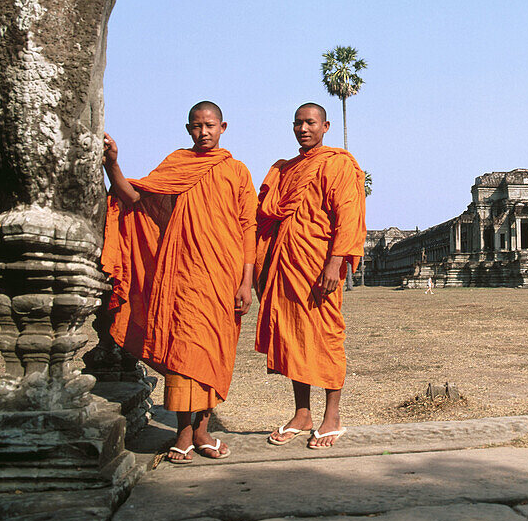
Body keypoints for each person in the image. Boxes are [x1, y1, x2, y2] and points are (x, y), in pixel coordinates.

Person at [102, 101, 255, 464]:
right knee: (184, 351)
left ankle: (202, 429)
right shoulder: (178, 165)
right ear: (188, 129)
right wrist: (112, 164)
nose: (203, 132)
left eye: (210, 126)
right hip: (183, 274)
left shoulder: (237, 171)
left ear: (223, 127)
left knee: (212, 353)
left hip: (223, 275)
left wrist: (246, 282)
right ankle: (186, 433)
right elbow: (136, 197)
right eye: (197, 126)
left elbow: (248, 228)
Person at [256, 103, 367, 449]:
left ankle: (331, 416)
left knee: (327, 337)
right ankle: (302, 413)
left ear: (325, 126)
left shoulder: (337, 164)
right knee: (292, 338)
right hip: (286, 265)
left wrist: (335, 263)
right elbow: (265, 213)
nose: (303, 129)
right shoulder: (285, 170)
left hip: (319, 266)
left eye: (310, 123)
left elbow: (346, 215)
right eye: (298, 123)